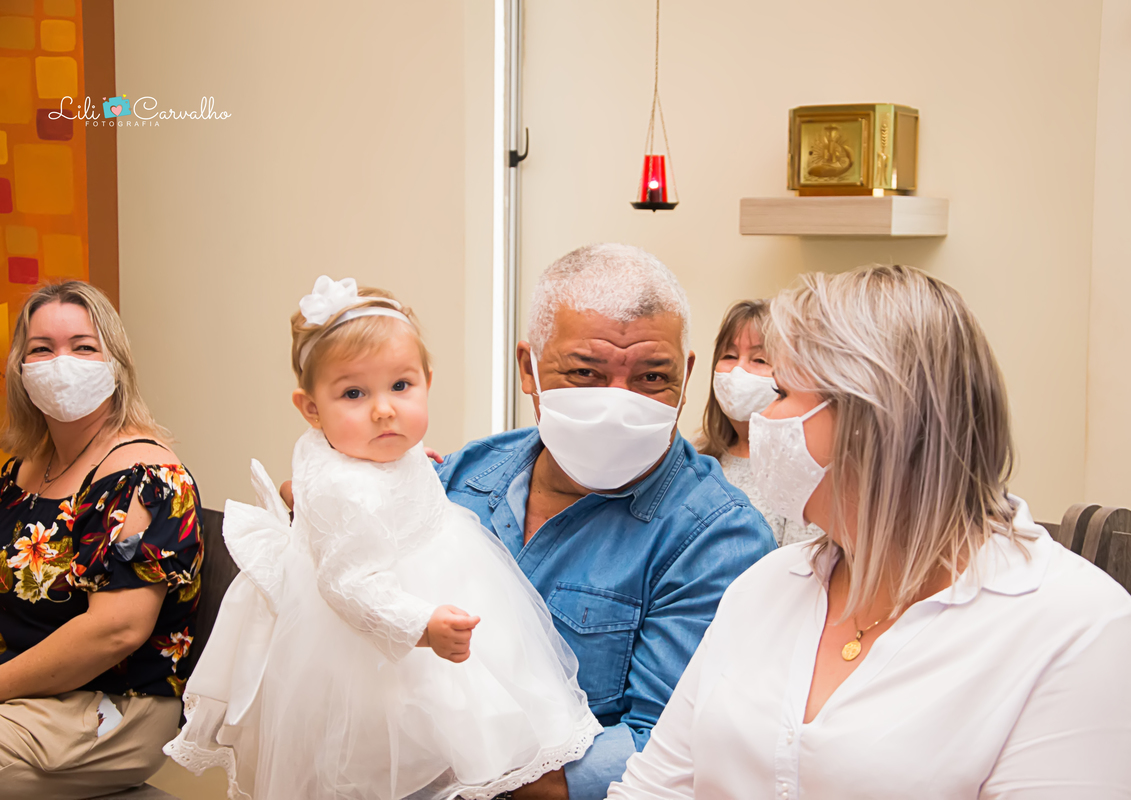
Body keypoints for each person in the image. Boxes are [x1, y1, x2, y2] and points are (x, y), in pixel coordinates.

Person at [609, 265, 1131, 799]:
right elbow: (654, 789)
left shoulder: (1077, 632)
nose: (760, 418)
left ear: (873, 420)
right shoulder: (764, 587)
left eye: (781, 393)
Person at [167, 277, 600, 800]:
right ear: (310, 408)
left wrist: (413, 462)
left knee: (461, 717)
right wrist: (421, 625)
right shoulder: (345, 491)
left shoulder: (371, 446)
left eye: (401, 386)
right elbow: (349, 585)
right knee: (396, 748)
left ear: (427, 381)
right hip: (375, 633)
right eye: (354, 393)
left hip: (430, 576)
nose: (384, 410)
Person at [434, 244, 777, 800]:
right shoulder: (462, 479)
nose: (618, 403)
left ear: (686, 375)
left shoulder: (717, 538)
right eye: (585, 373)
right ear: (528, 368)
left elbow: (663, 751)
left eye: (652, 377)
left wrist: (446, 768)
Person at [0, 281, 203, 799]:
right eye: (41, 349)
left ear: (115, 364)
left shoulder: (146, 476)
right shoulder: (23, 470)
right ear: (19, 368)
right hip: (23, 692)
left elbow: (116, 632)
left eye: (83, 346)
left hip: (112, 707)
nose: (61, 363)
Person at [695, 299, 819, 546]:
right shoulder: (697, 456)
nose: (738, 370)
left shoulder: (803, 471)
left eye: (760, 360)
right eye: (729, 356)